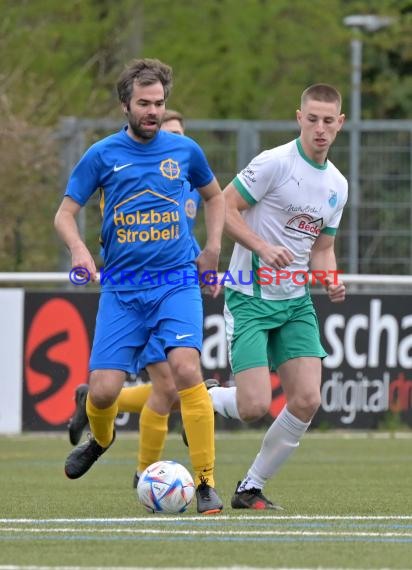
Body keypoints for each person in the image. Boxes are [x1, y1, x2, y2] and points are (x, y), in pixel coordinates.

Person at [55, 58, 225, 514]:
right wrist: (79, 251)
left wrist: (211, 249)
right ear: (125, 104)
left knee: (186, 370)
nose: (152, 111)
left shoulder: (184, 152)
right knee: (105, 390)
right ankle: (102, 439)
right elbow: (65, 213)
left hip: (176, 282)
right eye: (144, 103)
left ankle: (206, 482)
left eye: (159, 103)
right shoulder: (102, 155)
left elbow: (214, 196)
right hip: (123, 290)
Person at [207, 83, 347, 509]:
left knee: (307, 399)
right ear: (298, 118)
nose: (319, 129)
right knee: (252, 406)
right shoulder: (274, 163)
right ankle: (202, 398)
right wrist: (262, 247)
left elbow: (322, 249)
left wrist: (331, 278)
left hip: (295, 302)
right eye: (312, 119)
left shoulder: (338, 185)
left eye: (328, 121)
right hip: (250, 296)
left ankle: (250, 487)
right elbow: (224, 208)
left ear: (340, 125)